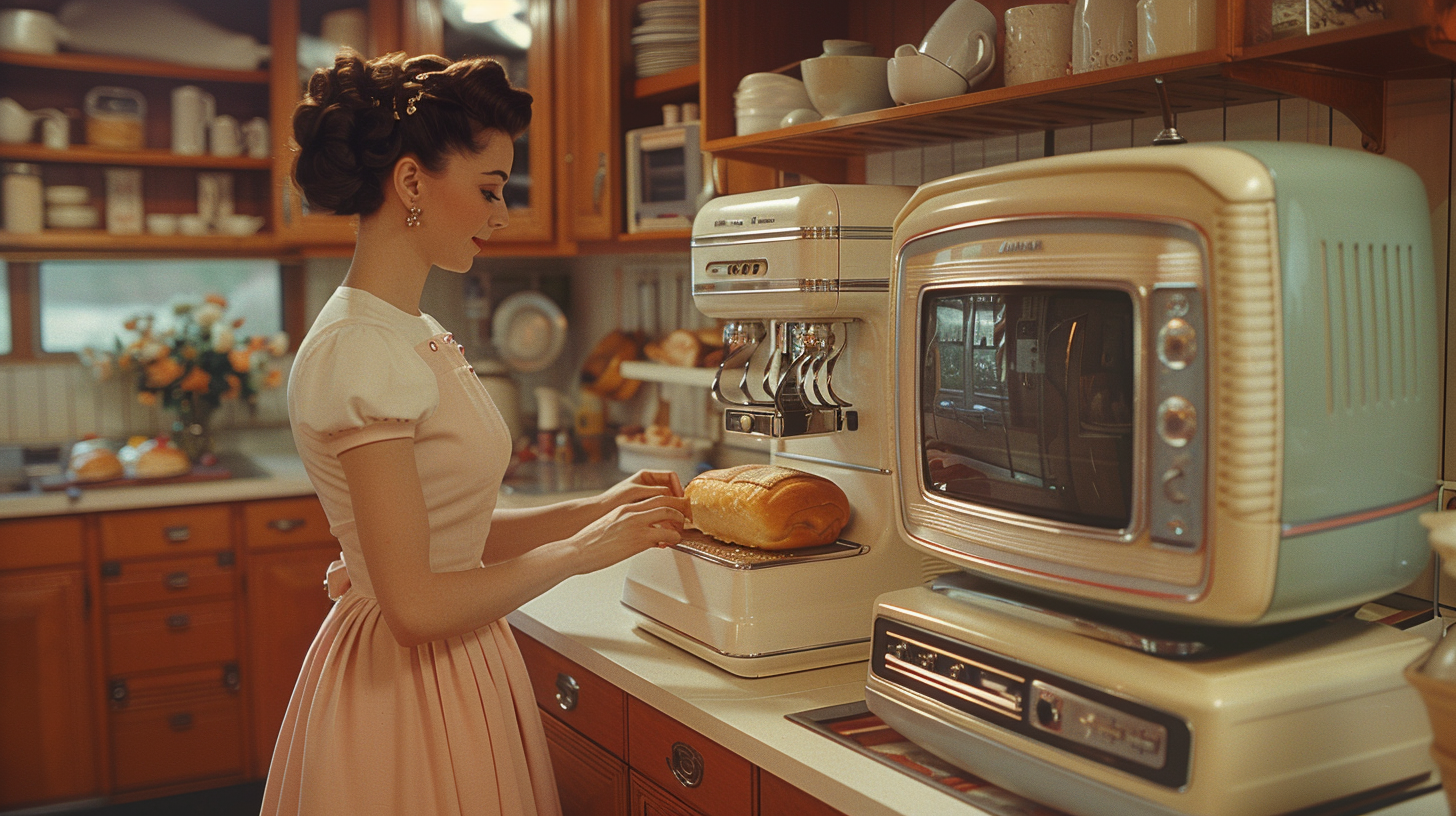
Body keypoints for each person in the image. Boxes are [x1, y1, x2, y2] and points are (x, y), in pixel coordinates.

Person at [260, 49, 691, 816]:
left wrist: (598, 505)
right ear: (413, 182)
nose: (501, 213)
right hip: (405, 689)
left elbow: (451, 539)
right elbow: (417, 605)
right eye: (490, 189)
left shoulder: (411, 330)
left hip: (458, 667)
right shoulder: (358, 348)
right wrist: (580, 552)